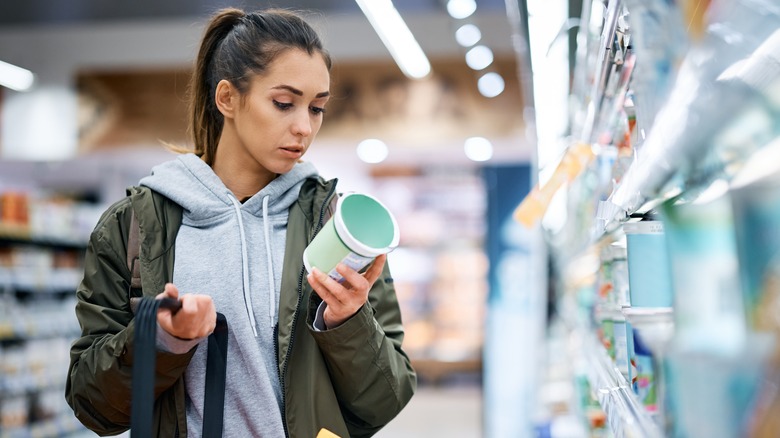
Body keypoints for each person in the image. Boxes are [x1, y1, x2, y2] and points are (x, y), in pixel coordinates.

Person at [65, 7, 417, 438]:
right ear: (227, 98)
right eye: (284, 103)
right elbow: (92, 404)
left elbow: (386, 400)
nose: (304, 127)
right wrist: (163, 341)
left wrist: (347, 323)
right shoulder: (134, 226)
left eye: (318, 108)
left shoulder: (336, 225)